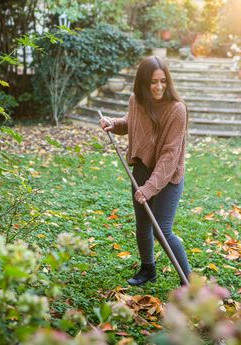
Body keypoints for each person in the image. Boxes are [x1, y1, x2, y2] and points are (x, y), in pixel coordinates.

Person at [100, 56, 191, 286]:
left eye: (162, 81)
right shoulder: (136, 101)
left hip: (168, 176)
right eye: (152, 82)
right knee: (142, 225)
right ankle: (148, 269)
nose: (158, 87)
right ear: (143, 83)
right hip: (141, 169)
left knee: (162, 230)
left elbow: (170, 156)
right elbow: (133, 123)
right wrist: (114, 123)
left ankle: (188, 279)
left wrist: (150, 187)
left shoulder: (177, 110)